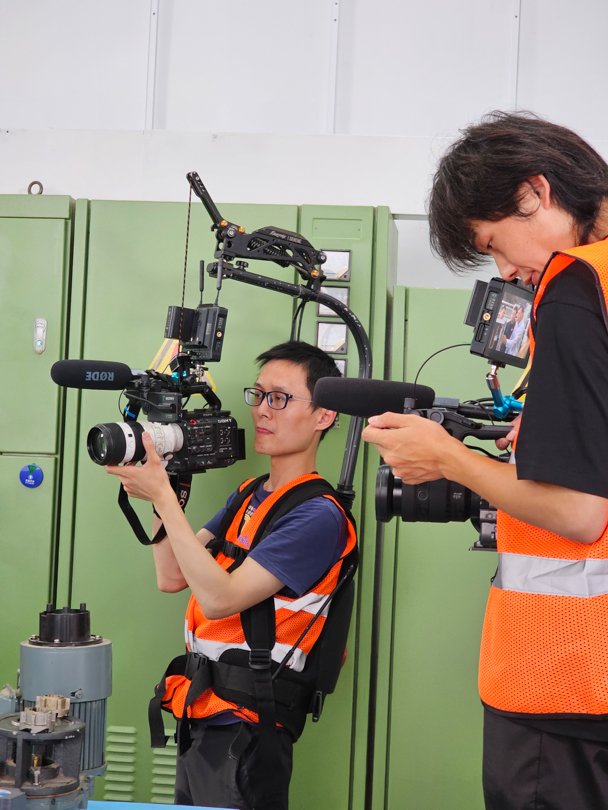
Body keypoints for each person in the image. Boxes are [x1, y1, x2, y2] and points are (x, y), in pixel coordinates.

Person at [362, 111, 608, 810]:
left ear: (535, 191)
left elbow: (580, 513)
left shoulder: (575, 285)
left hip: (565, 684)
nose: (506, 272)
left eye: (493, 243)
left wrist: (447, 457)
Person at [106, 340, 357, 810]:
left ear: (324, 415)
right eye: (258, 395)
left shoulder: (318, 516)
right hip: (203, 712)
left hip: (248, 727)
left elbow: (221, 599)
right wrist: (169, 481)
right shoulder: (249, 494)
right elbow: (172, 575)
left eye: (280, 398)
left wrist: (163, 498)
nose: (262, 410)